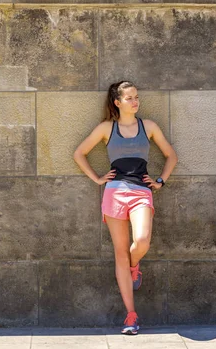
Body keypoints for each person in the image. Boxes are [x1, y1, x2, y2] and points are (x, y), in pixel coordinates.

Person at [73, 81, 178, 335]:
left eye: (136, 97)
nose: (135, 101)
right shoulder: (106, 128)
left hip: (141, 192)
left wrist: (160, 181)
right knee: (120, 252)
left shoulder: (149, 127)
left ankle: (133, 267)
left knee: (141, 241)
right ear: (117, 103)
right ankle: (131, 316)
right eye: (129, 98)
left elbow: (171, 156)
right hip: (115, 193)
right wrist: (98, 179)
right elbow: (79, 154)